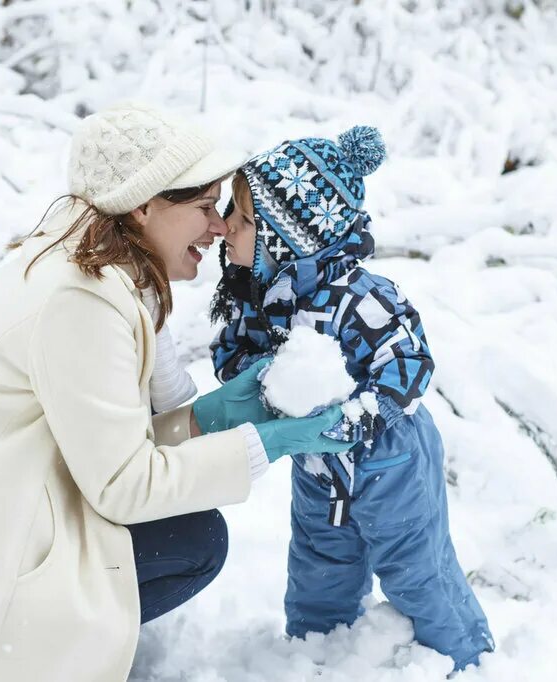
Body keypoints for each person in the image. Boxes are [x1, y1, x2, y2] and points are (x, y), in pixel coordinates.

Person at [0, 102, 351, 682]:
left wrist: (202, 421)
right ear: (143, 205)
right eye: (204, 207)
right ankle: (16, 659)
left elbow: (98, 442)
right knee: (195, 540)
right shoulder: (82, 299)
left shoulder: (85, 263)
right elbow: (122, 485)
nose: (219, 227)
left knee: (186, 532)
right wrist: (259, 445)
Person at [208, 126, 495, 672]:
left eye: (243, 220)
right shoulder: (262, 299)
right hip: (318, 470)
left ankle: (465, 658)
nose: (226, 228)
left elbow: (409, 362)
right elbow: (231, 356)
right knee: (318, 571)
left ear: (289, 237)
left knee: (418, 571)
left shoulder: (359, 299)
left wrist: (359, 416)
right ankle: (318, 657)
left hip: (392, 464)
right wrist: (261, 379)